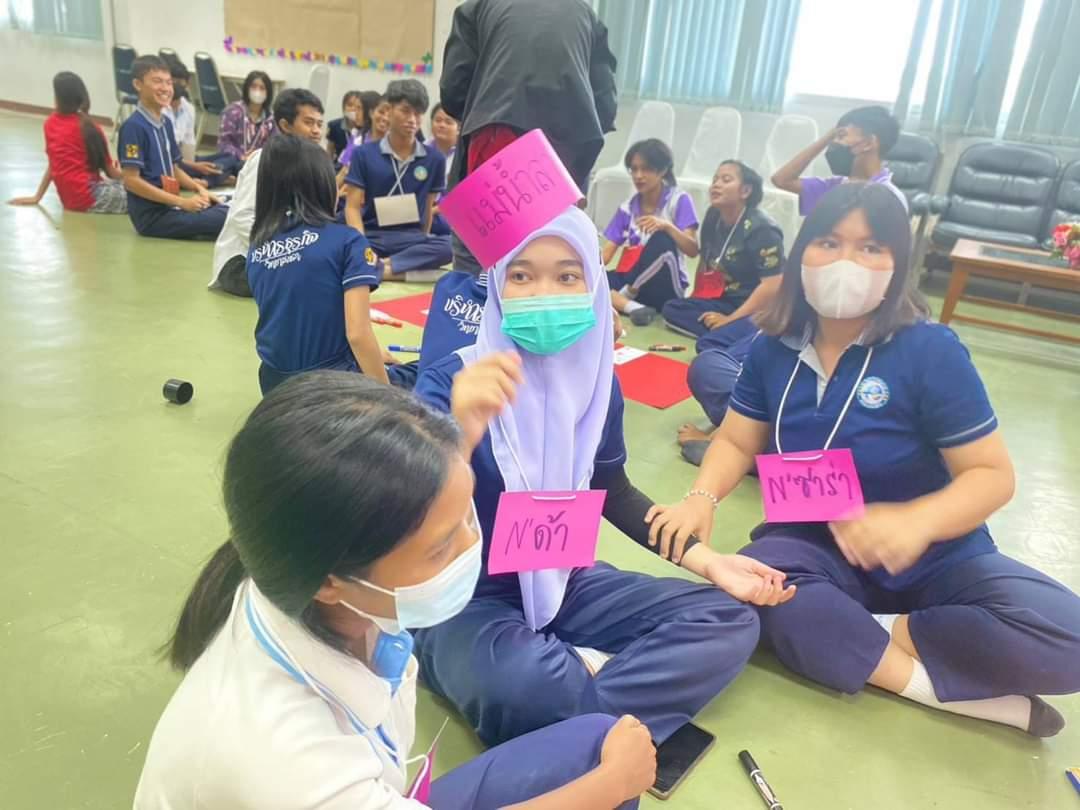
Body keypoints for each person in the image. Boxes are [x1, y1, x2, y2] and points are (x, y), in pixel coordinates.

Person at [646, 182, 1080, 739]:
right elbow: (734, 441)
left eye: (871, 247)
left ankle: (857, 633)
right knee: (753, 585)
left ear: (898, 265)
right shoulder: (773, 346)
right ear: (803, 250)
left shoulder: (930, 350)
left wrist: (915, 522)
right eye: (829, 242)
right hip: (811, 543)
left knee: (1067, 637)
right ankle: (952, 694)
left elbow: (992, 476)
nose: (845, 262)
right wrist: (700, 498)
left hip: (937, 554)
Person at [134, 371, 656, 809]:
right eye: (442, 547)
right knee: (606, 772)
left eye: (467, 516)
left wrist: (457, 440)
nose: (472, 547)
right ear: (331, 582)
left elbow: (399, 514)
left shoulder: (302, 567)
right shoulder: (282, 758)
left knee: (597, 740)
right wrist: (609, 787)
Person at [413, 206, 793, 749]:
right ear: (496, 284)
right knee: (520, 688)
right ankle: (579, 693)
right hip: (466, 596)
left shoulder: (597, 383)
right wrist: (461, 431)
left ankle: (575, 690)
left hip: (561, 577)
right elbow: (405, 513)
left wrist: (709, 561)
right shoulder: (454, 380)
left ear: (594, 285)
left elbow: (610, 490)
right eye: (522, 275)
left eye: (567, 276)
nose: (544, 294)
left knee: (728, 619)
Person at [440, 0, 618, 275]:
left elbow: (453, 90)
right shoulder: (585, 13)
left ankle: (476, 300)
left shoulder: (477, 6)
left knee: (477, 256)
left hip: (498, 133)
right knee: (555, 250)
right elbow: (606, 105)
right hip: (567, 146)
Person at [247, 136, 415, 395]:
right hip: (332, 387)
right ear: (323, 186)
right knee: (435, 371)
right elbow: (357, 333)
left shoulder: (257, 249)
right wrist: (386, 398)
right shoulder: (347, 241)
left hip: (274, 388)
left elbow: (298, 314)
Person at [660, 161, 785, 466]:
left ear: (746, 190)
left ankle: (735, 438)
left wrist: (730, 320)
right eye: (715, 178)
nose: (715, 184)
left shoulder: (762, 229)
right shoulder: (715, 217)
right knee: (677, 312)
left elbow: (772, 286)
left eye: (725, 179)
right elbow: (705, 264)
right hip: (723, 300)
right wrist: (696, 300)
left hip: (757, 308)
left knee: (709, 352)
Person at [210, 88, 325, 296]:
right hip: (241, 261)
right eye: (309, 123)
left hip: (282, 253)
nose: (316, 131)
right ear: (285, 125)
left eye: (319, 124)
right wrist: (280, 252)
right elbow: (242, 217)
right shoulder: (264, 160)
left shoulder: (310, 164)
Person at [344, 80, 451, 282]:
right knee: (339, 247)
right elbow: (352, 207)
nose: (412, 120)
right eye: (405, 111)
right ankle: (399, 270)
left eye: (418, 113)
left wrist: (422, 239)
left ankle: (381, 269)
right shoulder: (363, 154)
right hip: (372, 235)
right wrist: (361, 245)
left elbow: (428, 208)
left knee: (448, 247)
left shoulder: (434, 159)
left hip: (411, 239)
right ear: (389, 110)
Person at [118, 55, 227, 240]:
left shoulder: (165, 123)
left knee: (228, 207)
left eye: (168, 83)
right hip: (153, 217)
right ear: (138, 84)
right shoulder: (133, 127)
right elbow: (131, 181)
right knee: (227, 217)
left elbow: (174, 169)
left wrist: (200, 189)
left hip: (171, 206)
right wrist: (182, 202)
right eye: (157, 81)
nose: (165, 88)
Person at [601, 139, 699, 326]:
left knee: (661, 240)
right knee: (593, 278)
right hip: (635, 281)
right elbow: (606, 254)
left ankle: (622, 298)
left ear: (662, 170)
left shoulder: (679, 200)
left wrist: (667, 226)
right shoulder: (627, 208)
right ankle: (634, 308)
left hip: (665, 285)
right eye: (634, 169)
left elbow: (693, 250)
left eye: (646, 169)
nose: (638, 176)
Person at [8, 71, 126, 214]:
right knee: (143, 192)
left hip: (70, 200)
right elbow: (112, 172)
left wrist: (37, 197)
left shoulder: (50, 123)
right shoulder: (91, 128)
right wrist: (131, 175)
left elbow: (54, 164)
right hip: (90, 197)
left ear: (58, 98)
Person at [771, 105, 906, 216]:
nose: (834, 143)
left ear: (868, 143)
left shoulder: (888, 199)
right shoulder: (835, 187)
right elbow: (781, 180)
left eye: (841, 136)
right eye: (833, 138)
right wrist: (826, 138)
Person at [162, 60, 239, 186]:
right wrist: (196, 166)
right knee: (225, 168)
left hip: (186, 161)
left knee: (230, 157)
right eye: (172, 82)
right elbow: (165, 155)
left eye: (180, 83)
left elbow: (188, 147)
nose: (176, 87)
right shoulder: (160, 109)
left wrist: (195, 164)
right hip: (169, 162)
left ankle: (206, 179)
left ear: (187, 84)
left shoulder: (189, 109)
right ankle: (213, 179)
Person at [218, 70, 275, 163]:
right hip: (233, 160)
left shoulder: (271, 120)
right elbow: (224, 143)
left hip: (257, 164)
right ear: (247, 89)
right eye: (254, 87)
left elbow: (272, 147)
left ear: (268, 93)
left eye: (262, 88)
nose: (257, 91)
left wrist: (256, 157)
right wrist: (240, 156)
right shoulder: (233, 112)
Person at [426, 103, 459, 237]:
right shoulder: (421, 149)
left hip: (448, 211)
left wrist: (432, 211)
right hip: (423, 207)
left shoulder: (463, 155)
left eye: (448, 122)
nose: (442, 125)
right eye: (438, 120)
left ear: (459, 128)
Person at [326, 90, 364, 161]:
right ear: (343, 108)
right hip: (338, 164)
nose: (353, 109)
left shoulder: (366, 128)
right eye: (350, 105)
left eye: (358, 107)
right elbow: (330, 151)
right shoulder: (334, 125)